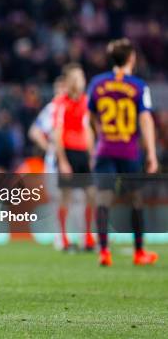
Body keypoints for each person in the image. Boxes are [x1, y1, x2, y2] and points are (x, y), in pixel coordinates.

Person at [87, 38, 159, 266]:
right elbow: (145, 119)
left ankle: (104, 252)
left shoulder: (97, 83)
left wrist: (99, 136)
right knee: (135, 200)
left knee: (103, 200)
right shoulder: (138, 86)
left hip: (105, 148)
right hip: (128, 151)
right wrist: (151, 154)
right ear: (131, 58)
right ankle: (139, 253)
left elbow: (89, 116)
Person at [53, 64, 96, 251]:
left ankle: (87, 236)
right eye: (77, 79)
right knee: (66, 197)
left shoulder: (86, 102)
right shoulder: (61, 103)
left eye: (82, 78)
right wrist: (62, 161)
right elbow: (57, 132)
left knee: (91, 194)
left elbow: (87, 129)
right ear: (69, 82)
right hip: (68, 152)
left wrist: (93, 154)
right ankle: (63, 237)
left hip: (82, 153)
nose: (81, 82)